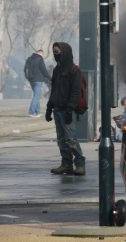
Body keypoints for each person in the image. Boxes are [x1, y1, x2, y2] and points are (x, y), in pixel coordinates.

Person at [45, 42, 86, 176]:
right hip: (57, 109)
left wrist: (70, 108)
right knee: (61, 139)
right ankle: (66, 164)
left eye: (57, 52)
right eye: (54, 52)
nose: (56, 55)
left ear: (65, 52)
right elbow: (54, 91)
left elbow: (75, 92)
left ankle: (79, 164)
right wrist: (49, 108)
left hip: (68, 110)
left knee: (70, 139)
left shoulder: (74, 70)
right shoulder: (57, 70)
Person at [24, 49, 51, 117]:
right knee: (36, 96)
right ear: (41, 53)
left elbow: (25, 69)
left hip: (31, 80)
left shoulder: (29, 59)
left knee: (37, 95)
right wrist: (50, 78)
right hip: (38, 80)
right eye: (42, 54)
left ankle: (37, 111)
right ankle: (31, 112)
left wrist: (28, 78)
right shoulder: (40, 59)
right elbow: (44, 70)